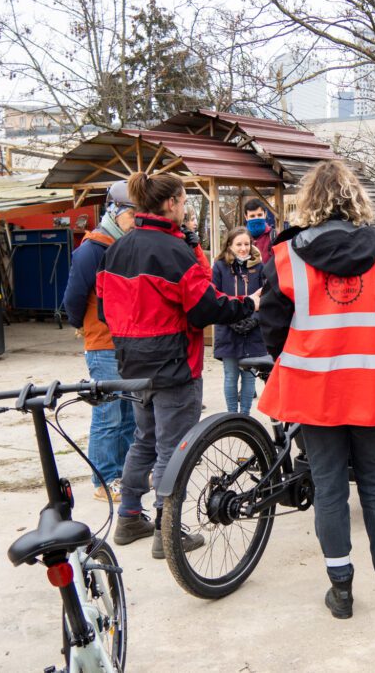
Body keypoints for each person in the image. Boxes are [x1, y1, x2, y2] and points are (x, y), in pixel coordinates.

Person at [257, 159, 375, 620]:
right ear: (356, 200)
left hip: (315, 390)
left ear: (309, 203)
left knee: (328, 486)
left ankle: (341, 591)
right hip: (373, 386)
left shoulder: (286, 257)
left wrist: (302, 356)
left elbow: (272, 327)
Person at [97, 171, 260, 558]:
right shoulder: (174, 252)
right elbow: (206, 307)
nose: (186, 208)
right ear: (170, 203)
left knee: (144, 440)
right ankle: (167, 533)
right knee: (174, 448)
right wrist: (248, 304)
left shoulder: (117, 248)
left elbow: (105, 309)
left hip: (132, 365)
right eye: (185, 201)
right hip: (174, 365)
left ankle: (130, 517)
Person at [63, 180, 137, 502]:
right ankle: (104, 479)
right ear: (116, 211)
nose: (138, 219)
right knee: (108, 415)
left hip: (129, 342)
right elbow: (73, 298)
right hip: (103, 344)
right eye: (134, 213)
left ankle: (122, 472)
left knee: (130, 414)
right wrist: (86, 326)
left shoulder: (128, 245)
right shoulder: (92, 249)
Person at [212, 227, 266, 414]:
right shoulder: (219, 266)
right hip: (228, 329)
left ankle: (245, 416)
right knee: (231, 375)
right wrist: (230, 318)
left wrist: (255, 319)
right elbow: (214, 297)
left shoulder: (259, 267)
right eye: (239, 244)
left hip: (253, 330)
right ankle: (232, 416)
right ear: (230, 245)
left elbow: (267, 296)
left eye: (247, 244)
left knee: (249, 376)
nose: (243, 248)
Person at [244, 198, 277, 264]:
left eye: (259, 215)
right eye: (252, 216)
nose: (256, 218)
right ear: (246, 217)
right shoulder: (240, 237)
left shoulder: (274, 236)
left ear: (265, 215)